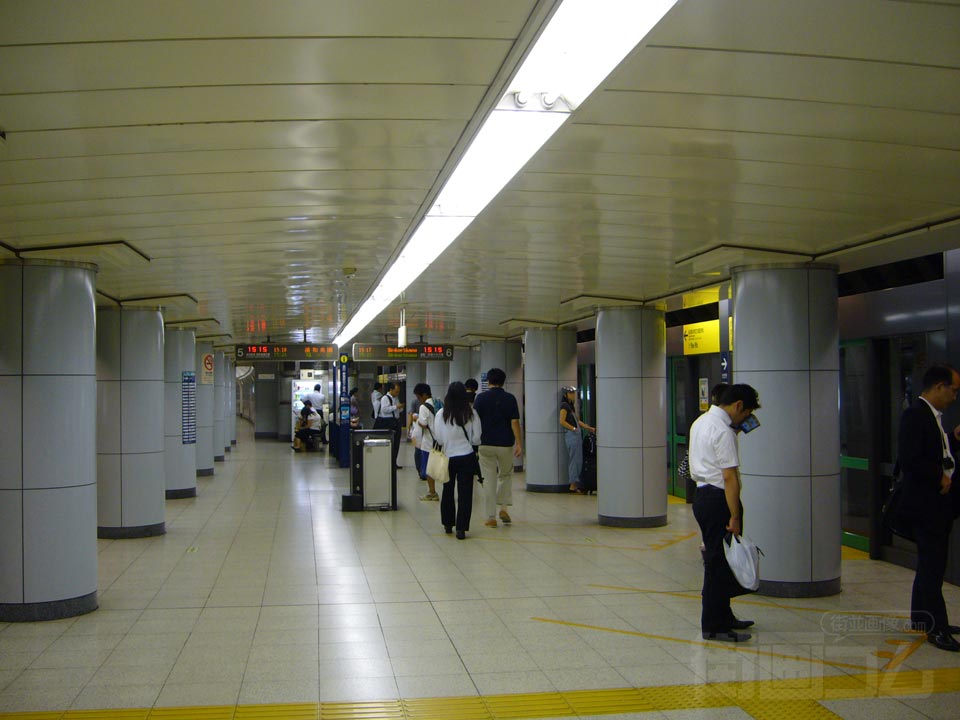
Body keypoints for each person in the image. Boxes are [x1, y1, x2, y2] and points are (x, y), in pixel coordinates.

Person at [689, 383, 761, 642]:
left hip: (703, 496)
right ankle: (714, 625)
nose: (745, 419)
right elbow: (730, 478)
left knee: (720, 560)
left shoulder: (701, 422)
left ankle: (724, 615)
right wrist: (735, 515)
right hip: (718, 499)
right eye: (746, 413)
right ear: (738, 405)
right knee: (718, 564)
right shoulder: (723, 431)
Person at [896, 364, 960, 652]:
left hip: (937, 505)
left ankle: (923, 620)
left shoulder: (933, 418)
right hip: (926, 505)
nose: (955, 397)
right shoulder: (916, 415)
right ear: (939, 387)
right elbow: (909, 459)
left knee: (928, 565)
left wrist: (954, 440)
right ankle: (937, 628)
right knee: (933, 567)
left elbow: (938, 454)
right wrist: (939, 476)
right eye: (953, 390)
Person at [432, 381, 482, 539]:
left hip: (448, 456)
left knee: (447, 490)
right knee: (465, 493)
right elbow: (476, 438)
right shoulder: (471, 413)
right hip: (466, 456)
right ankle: (461, 528)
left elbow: (438, 438)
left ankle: (448, 523)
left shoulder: (441, 414)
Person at [473, 368, 522, 527]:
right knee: (506, 475)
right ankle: (504, 508)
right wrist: (519, 443)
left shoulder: (480, 398)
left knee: (489, 480)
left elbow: (475, 421)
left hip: (485, 444)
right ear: (503, 381)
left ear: (488, 381)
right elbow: (514, 422)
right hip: (505, 444)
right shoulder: (509, 398)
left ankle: (491, 517)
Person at [560, 386, 595, 493]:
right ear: (566, 394)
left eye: (574, 393)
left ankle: (576, 483)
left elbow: (578, 421)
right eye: (571, 393)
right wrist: (573, 429)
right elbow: (562, 421)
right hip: (571, 435)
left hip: (576, 434)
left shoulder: (571, 406)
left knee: (578, 460)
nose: (573, 395)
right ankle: (572, 485)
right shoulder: (564, 406)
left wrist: (589, 428)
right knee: (574, 460)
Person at [411, 383, 441, 501]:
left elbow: (423, 424)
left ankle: (432, 492)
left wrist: (416, 419)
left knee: (429, 469)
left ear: (423, 395)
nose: (419, 400)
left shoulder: (423, 407)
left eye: (419, 397)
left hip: (429, 442)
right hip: (439, 440)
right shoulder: (439, 402)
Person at [374, 381, 404, 469]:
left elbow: (398, 410)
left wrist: (399, 408)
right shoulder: (385, 398)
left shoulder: (396, 398)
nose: (397, 393)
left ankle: (394, 461)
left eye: (398, 391)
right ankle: (388, 462)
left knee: (396, 443)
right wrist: (396, 407)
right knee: (390, 443)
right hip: (388, 422)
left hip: (396, 421)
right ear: (391, 390)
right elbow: (384, 410)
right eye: (396, 391)